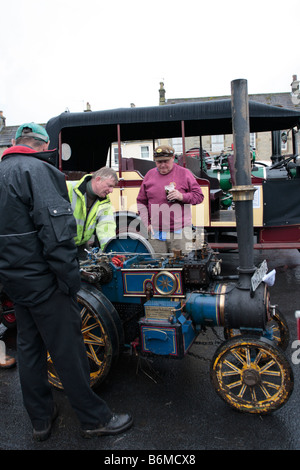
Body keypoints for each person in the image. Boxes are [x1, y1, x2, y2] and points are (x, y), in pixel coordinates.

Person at [0, 123, 132, 441]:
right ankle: (93, 419)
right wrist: (71, 281)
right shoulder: (40, 172)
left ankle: (40, 421)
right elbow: (57, 236)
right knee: (69, 349)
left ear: (17, 143)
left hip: (15, 282)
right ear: (42, 146)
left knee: (29, 349)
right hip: (46, 282)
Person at [137, 145, 204, 254]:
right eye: (159, 162)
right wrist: (146, 223)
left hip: (180, 232)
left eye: (166, 161)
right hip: (156, 232)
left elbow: (199, 197)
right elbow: (141, 201)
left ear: (173, 158)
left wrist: (181, 196)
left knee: (182, 266)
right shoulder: (149, 175)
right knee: (158, 266)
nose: (162, 165)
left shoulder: (184, 173)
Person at [67, 168, 117, 257]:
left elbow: (106, 227)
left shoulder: (104, 201)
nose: (111, 191)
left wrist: (111, 252)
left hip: (81, 245)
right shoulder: (68, 188)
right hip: (62, 245)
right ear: (98, 179)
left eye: (113, 187)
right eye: (109, 185)